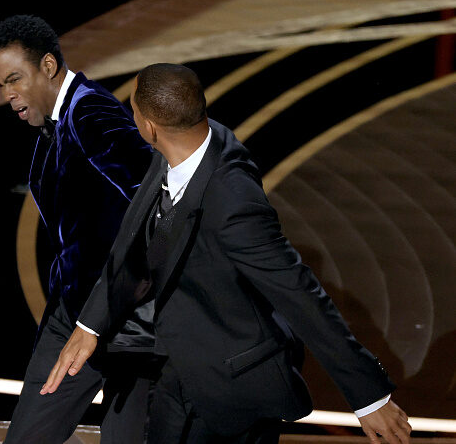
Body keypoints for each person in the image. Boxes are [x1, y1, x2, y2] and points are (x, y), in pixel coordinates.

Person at [41, 63, 413, 444]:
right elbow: (133, 241)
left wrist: (369, 397)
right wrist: (90, 326)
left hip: (235, 387)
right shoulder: (186, 144)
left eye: (133, 110)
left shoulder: (234, 203)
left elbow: (300, 294)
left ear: (149, 127)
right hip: (181, 371)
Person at [0, 15, 157, 444]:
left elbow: (153, 197)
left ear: (47, 66)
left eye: (14, 79)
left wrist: (107, 307)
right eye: (0, 85)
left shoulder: (91, 111)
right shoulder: (54, 122)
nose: (8, 95)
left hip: (125, 323)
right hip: (73, 314)